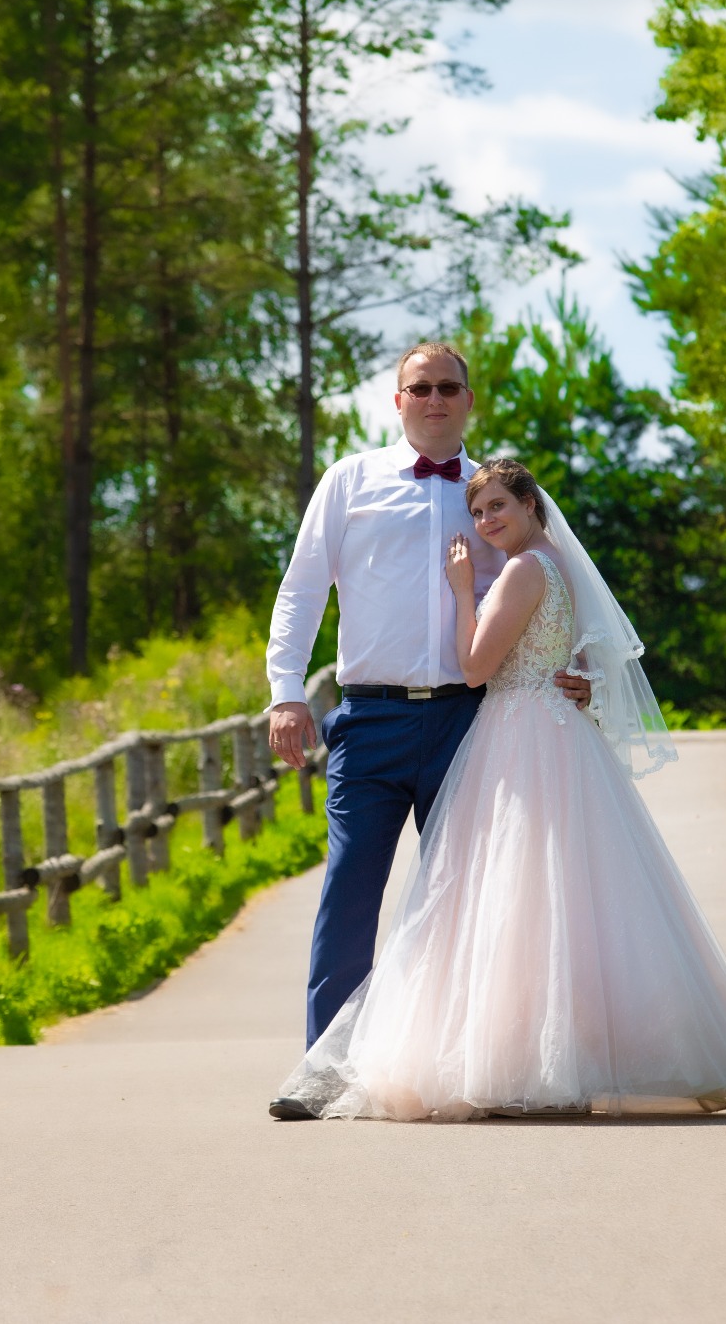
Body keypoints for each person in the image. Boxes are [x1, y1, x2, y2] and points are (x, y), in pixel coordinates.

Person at [273, 456, 726, 1120]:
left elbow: (475, 665)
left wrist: (463, 589)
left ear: (530, 505)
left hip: (512, 730)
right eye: (481, 511)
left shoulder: (521, 567)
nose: (487, 520)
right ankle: (529, 1052)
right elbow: (572, 643)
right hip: (509, 727)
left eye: (499, 508)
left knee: (501, 897)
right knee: (547, 899)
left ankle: (514, 1058)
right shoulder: (544, 559)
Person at [264, 343, 591, 1121]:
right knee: (350, 892)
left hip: (470, 721)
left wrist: (582, 668)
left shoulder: (498, 492)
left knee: (474, 897)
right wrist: (285, 692)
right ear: (398, 399)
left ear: (468, 400)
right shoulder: (349, 481)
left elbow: (558, 583)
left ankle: (472, 1069)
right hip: (369, 717)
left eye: (449, 387)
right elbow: (301, 590)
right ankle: (326, 1070)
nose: (435, 398)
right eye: (421, 387)